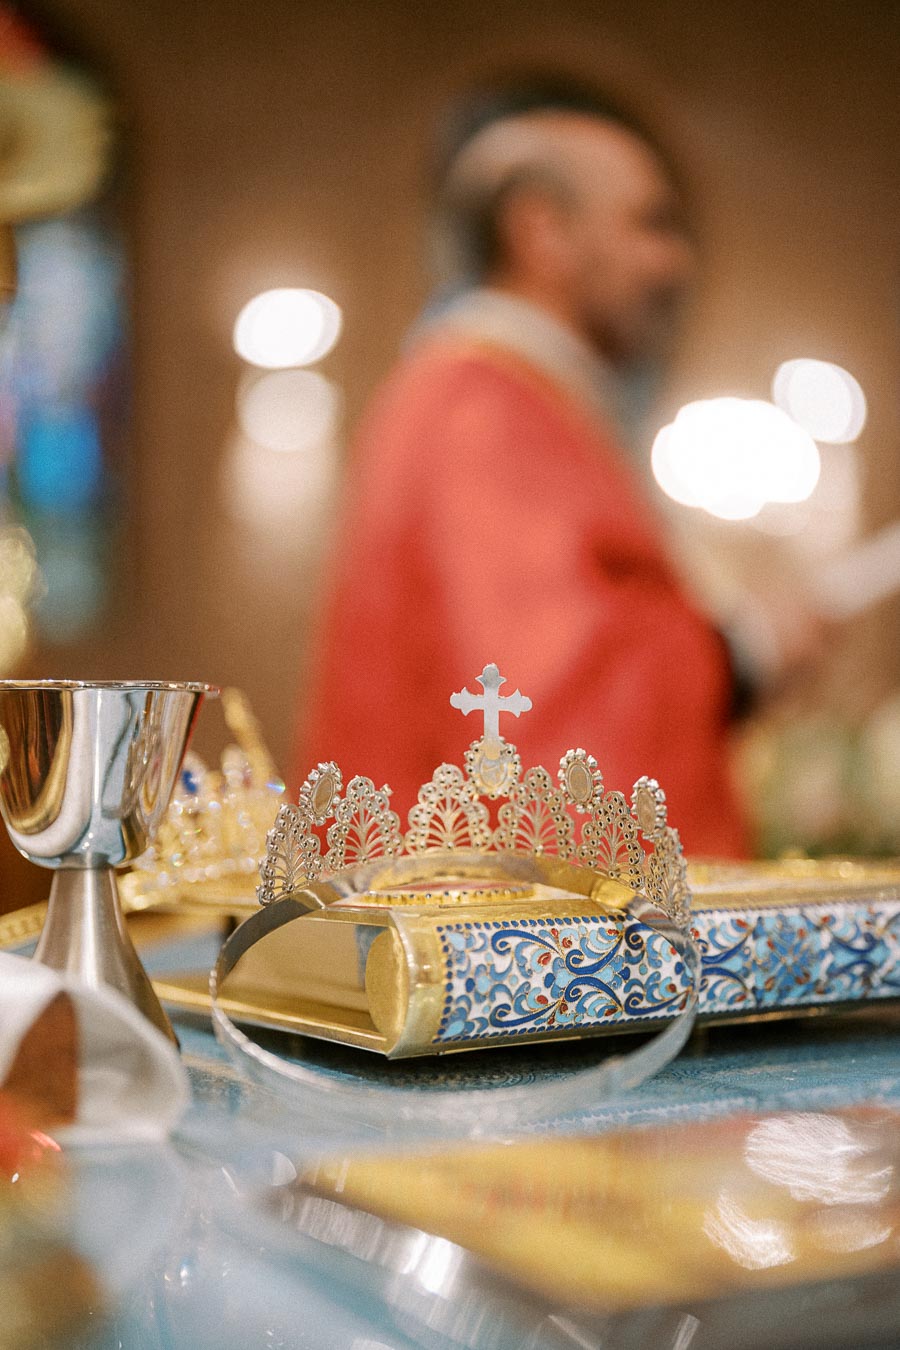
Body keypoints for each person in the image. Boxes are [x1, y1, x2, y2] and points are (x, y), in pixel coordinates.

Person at [296, 76, 750, 857]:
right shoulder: (484, 411)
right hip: (477, 950)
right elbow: (556, 721)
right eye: (649, 223)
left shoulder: (518, 402)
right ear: (542, 230)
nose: (672, 261)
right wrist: (740, 654)